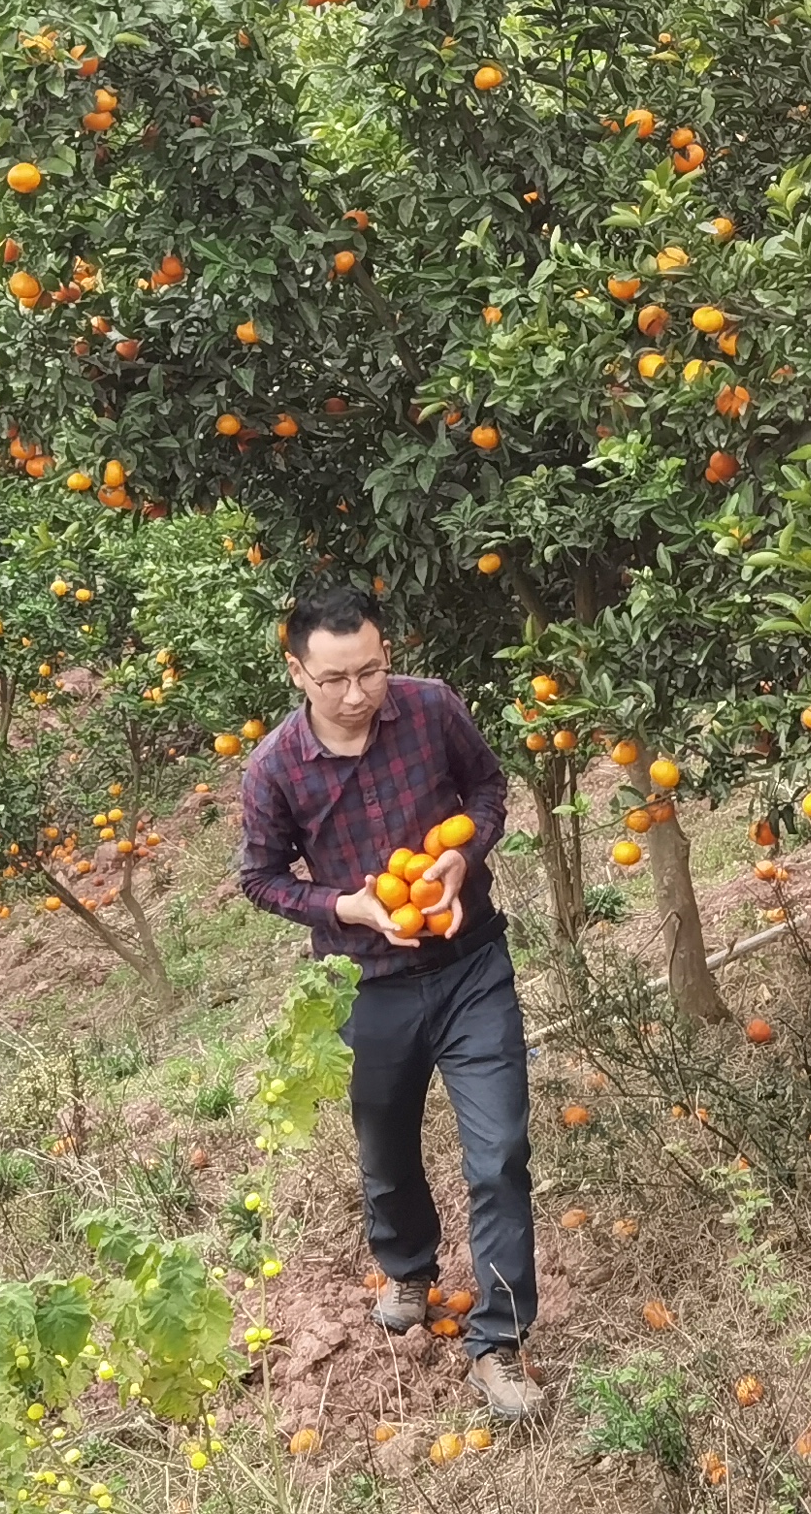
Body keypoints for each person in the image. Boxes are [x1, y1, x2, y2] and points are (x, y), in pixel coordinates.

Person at [235, 584, 547, 1421]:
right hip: (366, 983)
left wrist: (465, 855)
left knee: (500, 1154)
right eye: (335, 678)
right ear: (297, 670)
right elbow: (259, 878)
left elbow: (487, 788)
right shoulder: (273, 769)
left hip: (472, 963)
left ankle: (498, 1342)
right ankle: (409, 1268)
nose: (357, 693)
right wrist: (348, 907)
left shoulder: (432, 707)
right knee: (387, 1151)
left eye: (370, 670)